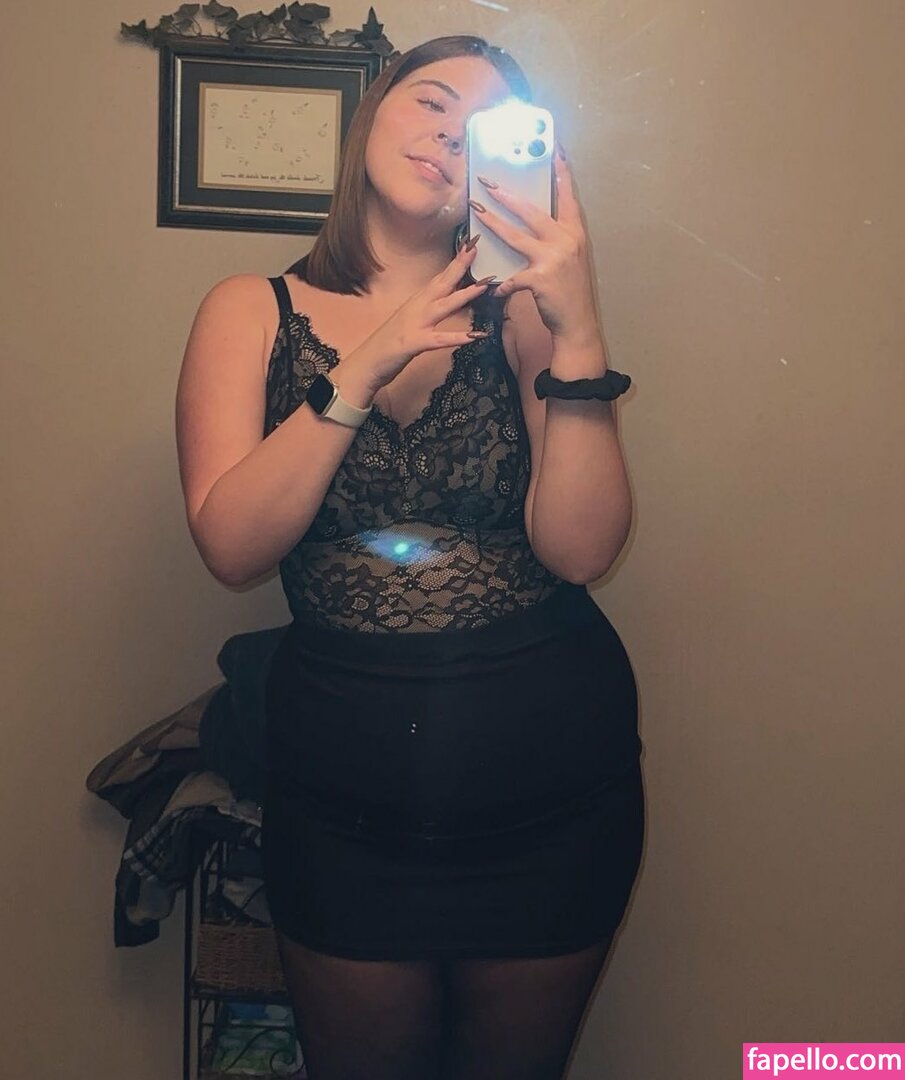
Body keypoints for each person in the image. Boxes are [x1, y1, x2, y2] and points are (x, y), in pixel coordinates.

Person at [175, 33, 644, 1080]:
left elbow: (579, 551)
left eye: (479, 126)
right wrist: (369, 359)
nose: (446, 136)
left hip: (552, 789)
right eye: (430, 102)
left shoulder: (523, 317)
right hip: (341, 803)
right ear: (370, 117)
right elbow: (231, 548)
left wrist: (577, 329)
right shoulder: (247, 309)